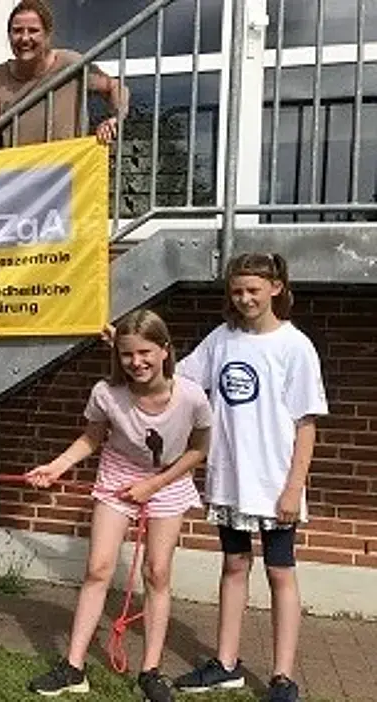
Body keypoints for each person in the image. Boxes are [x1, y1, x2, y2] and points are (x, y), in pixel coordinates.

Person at [25, 310, 211, 701]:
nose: (136, 362)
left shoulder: (191, 395)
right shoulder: (106, 393)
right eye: (127, 355)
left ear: (165, 351)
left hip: (168, 482)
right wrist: (57, 467)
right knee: (98, 568)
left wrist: (154, 484)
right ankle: (74, 667)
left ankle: (151, 672)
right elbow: (92, 438)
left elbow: (199, 450)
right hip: (116, 479)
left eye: (145, 352)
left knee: (157, 573)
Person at [171, 254, 327, 702]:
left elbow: (306, 424)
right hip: (230, 479)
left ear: (276, 287)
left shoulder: (294, 346)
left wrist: (294, 487)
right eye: (237, 291)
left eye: (253, 290)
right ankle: (225, 663)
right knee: (234, 565)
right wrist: (127, 348)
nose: (244, 299)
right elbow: (179, 378)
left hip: (275, 484)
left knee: (281, 573)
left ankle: (282, 676)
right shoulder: (221, 339)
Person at [0, 0, 129, 147]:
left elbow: (115, 87)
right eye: (17, 31)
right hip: (16, 170)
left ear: (47, 34)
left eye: (33, 30)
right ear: (9, 35)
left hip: (62, 169)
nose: (24, 38)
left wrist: (115, 118)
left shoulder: (70, 64)